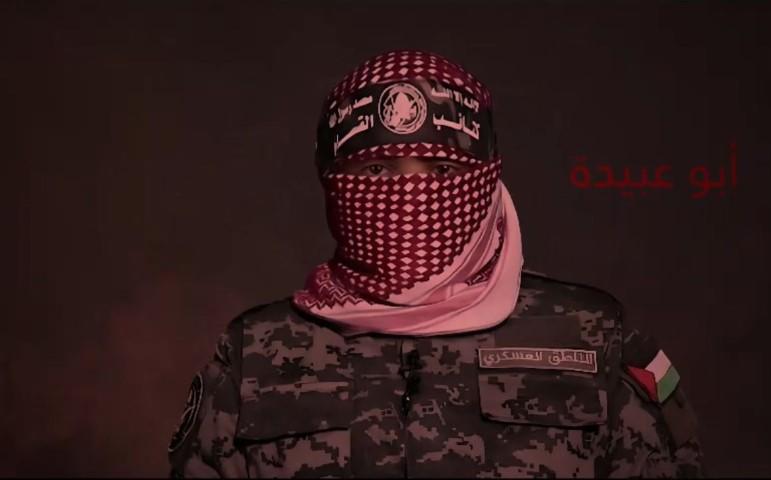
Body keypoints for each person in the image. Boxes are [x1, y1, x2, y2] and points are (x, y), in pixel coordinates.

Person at [166, 49, 704, 478]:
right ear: (329, 179)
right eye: (376, 171)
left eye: (442, 170)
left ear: (488, 174)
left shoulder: (593, 338)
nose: (409, 193)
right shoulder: (254, 353)